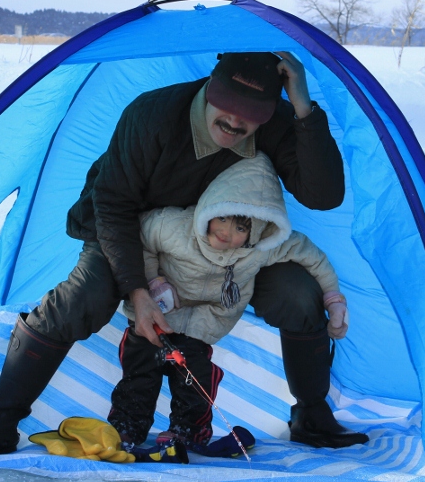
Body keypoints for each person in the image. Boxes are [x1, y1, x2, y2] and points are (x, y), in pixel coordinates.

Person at [0, 51, 367, 458]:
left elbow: (323, 195)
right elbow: (111, 205)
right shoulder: (152, 115)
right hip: (130, 230)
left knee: (296, 292)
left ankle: (312, 416)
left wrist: (303, 108)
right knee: (85, 297)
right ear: (210, 86)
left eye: (251, 112)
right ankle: (0, 424)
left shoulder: (273, 121)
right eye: (227, 104)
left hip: (219, 246)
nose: (235, 120)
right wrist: (138, 290)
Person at [108, 152, 351, 453]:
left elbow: (312, 257)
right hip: (156, 312)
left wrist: (334, 298)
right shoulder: (174, 227)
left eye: (241, 227)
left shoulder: (261, 248)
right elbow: (139, 238)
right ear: (210, 209)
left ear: (258, 230)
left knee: (194, 378)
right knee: (139, 371)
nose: (226, 232)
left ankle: (188, 430)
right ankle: (127, 426)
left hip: (203, 322)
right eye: (222, 217)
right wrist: (154, 281)